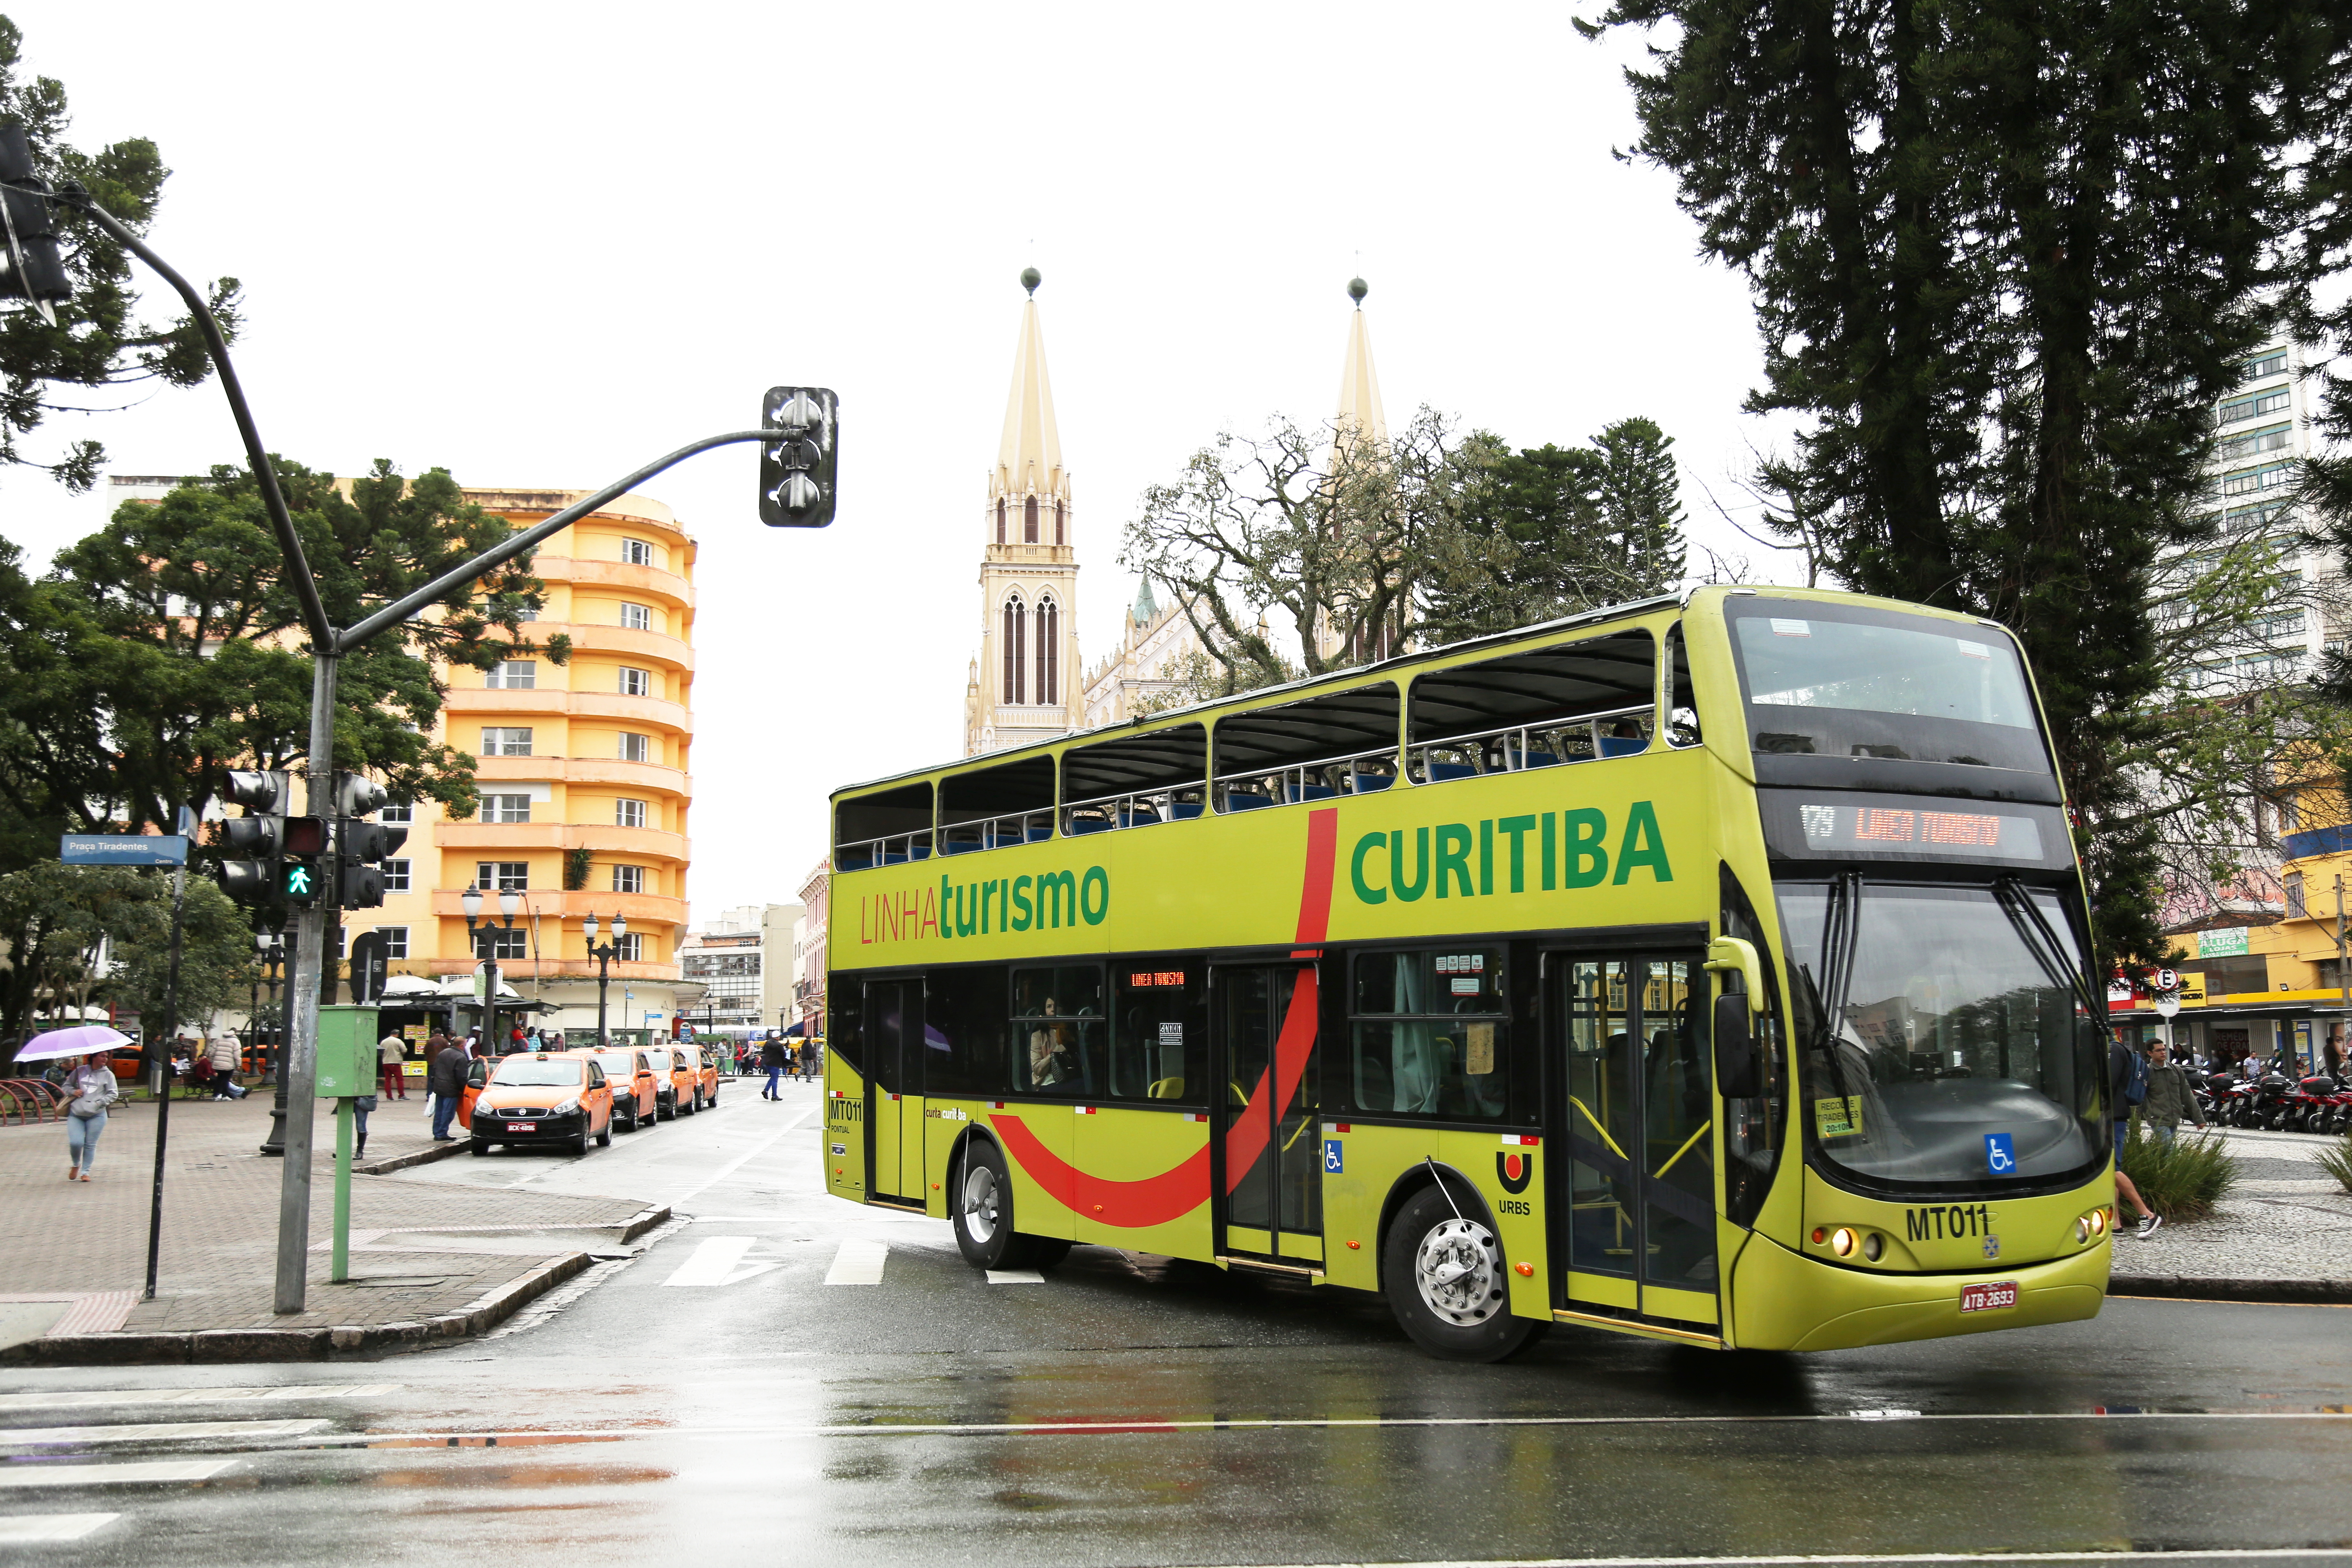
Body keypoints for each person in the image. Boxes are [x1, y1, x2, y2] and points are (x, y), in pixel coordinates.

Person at [2108, 1033, 2161, 1237]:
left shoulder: (2115, 1050)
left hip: (2113, 1115)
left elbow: (2109, 1084)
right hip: (2112, 1115)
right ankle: (2116, 1224)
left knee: (2113, 1167)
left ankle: (2147, 1214)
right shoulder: (2116, 1050)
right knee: (2109, 1171)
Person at [62, 1051, 118, 1182]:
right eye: (102, 1056)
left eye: (107, 1057)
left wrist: (99, 1103)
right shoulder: (80, 1071)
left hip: (97, 1115)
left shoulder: (108, 1075)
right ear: (93, 1057)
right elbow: (66, 1086)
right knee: (76, 1143)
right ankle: (76, 1164)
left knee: (90, 1144)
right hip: (77, 1113)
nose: (106, 1059)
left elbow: (113, 1094)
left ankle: (85, 1172)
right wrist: (73, 1091)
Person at [2140, 1041, 2206, 1148]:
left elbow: (2187, 1096)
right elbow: (2140, 1098)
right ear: (2150, 1053)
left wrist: (2199, 1119)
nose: (2163, 1053)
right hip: (2157, 1119)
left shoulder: (2176, 1070)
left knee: (2167, 1150)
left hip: (2174, 1118)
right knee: (2169, 1149)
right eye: (2158, 1050)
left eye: (2164, 1050)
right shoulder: (2147, 1072)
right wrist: (2135, 1122)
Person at [427, 1034, 470, 1141]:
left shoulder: (443, 1053)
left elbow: (435, 1069)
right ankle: (442, 1133)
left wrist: (434, 1083)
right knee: (448, 1112)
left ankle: (437, 1132)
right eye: (465, 1045)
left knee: (440, 1111)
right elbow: (461, 1076)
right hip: (451, 1089)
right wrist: (464, 1089)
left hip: (439, 1087)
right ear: (461, 1046)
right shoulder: (461, 1057)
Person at [209, 1031, 242, 1099]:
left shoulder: (218, 1040)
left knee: (220, 1079)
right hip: (229, 1064)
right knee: (226, 1080)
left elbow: (212, 1052)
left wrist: (212, 1060)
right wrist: (238, 1065)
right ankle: (224, 1095)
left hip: (218, 1063)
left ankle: (217, 1095)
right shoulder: (236, 1041)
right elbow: (237, 1055)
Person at [379, 1030, 408, 1099]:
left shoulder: (384, 1041)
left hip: (386, 1062)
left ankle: (389, 1097)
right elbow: (404, 1050)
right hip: (395, 1062)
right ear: (397, 1035)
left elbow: (380, 1051)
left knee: (388, 1080)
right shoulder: (398, 1041)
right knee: (399, 1080)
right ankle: (401, 1095)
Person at [759, 1035, 787, 1100]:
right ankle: (774, 1096)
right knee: (775, 1080)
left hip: (768, 1063)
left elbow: (764, 1051)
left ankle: (766, 1091)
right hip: (775, 1063)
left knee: (773, 1077)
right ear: (778, 1037)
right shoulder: (779, 1045)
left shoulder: (767, 1043)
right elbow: (784, 1054)